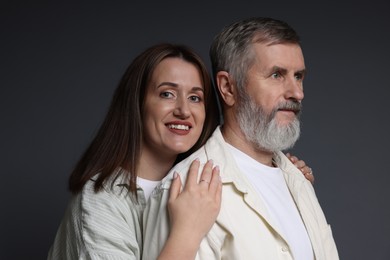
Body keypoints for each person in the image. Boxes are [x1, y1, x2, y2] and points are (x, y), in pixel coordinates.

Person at [48, 43, 313, 260]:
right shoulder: (101, 200)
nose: (183, 111)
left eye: (195, 98)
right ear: (137, 103)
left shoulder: (201, 178)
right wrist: (186, 232)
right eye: (167, 94)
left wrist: (280, 179)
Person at [143, 17, 338, 260]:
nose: (297, 92)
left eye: (298, 76)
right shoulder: (182, 189)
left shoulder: (298, 179)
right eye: (277, 75)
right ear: (228, 88)